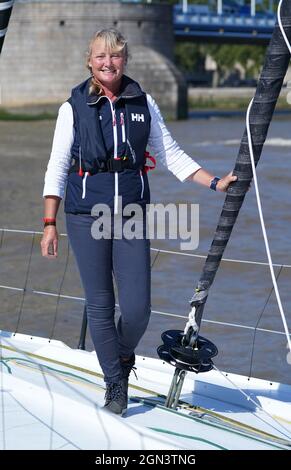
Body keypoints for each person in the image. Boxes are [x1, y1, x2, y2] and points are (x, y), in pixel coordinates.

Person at [41, 28, 237, 416]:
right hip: (85, 215)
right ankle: (116, 383)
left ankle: (120, 354)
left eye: (115, 56)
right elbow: (58, 166)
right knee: (100, 304)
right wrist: (50, 222)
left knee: (137, 310)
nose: (108, 63)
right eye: (100, 56)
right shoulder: (73, 107)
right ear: (89, 60)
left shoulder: (142, 102)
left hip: (130, 215)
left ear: (125, 60)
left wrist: (215, 182)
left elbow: (171, 154)